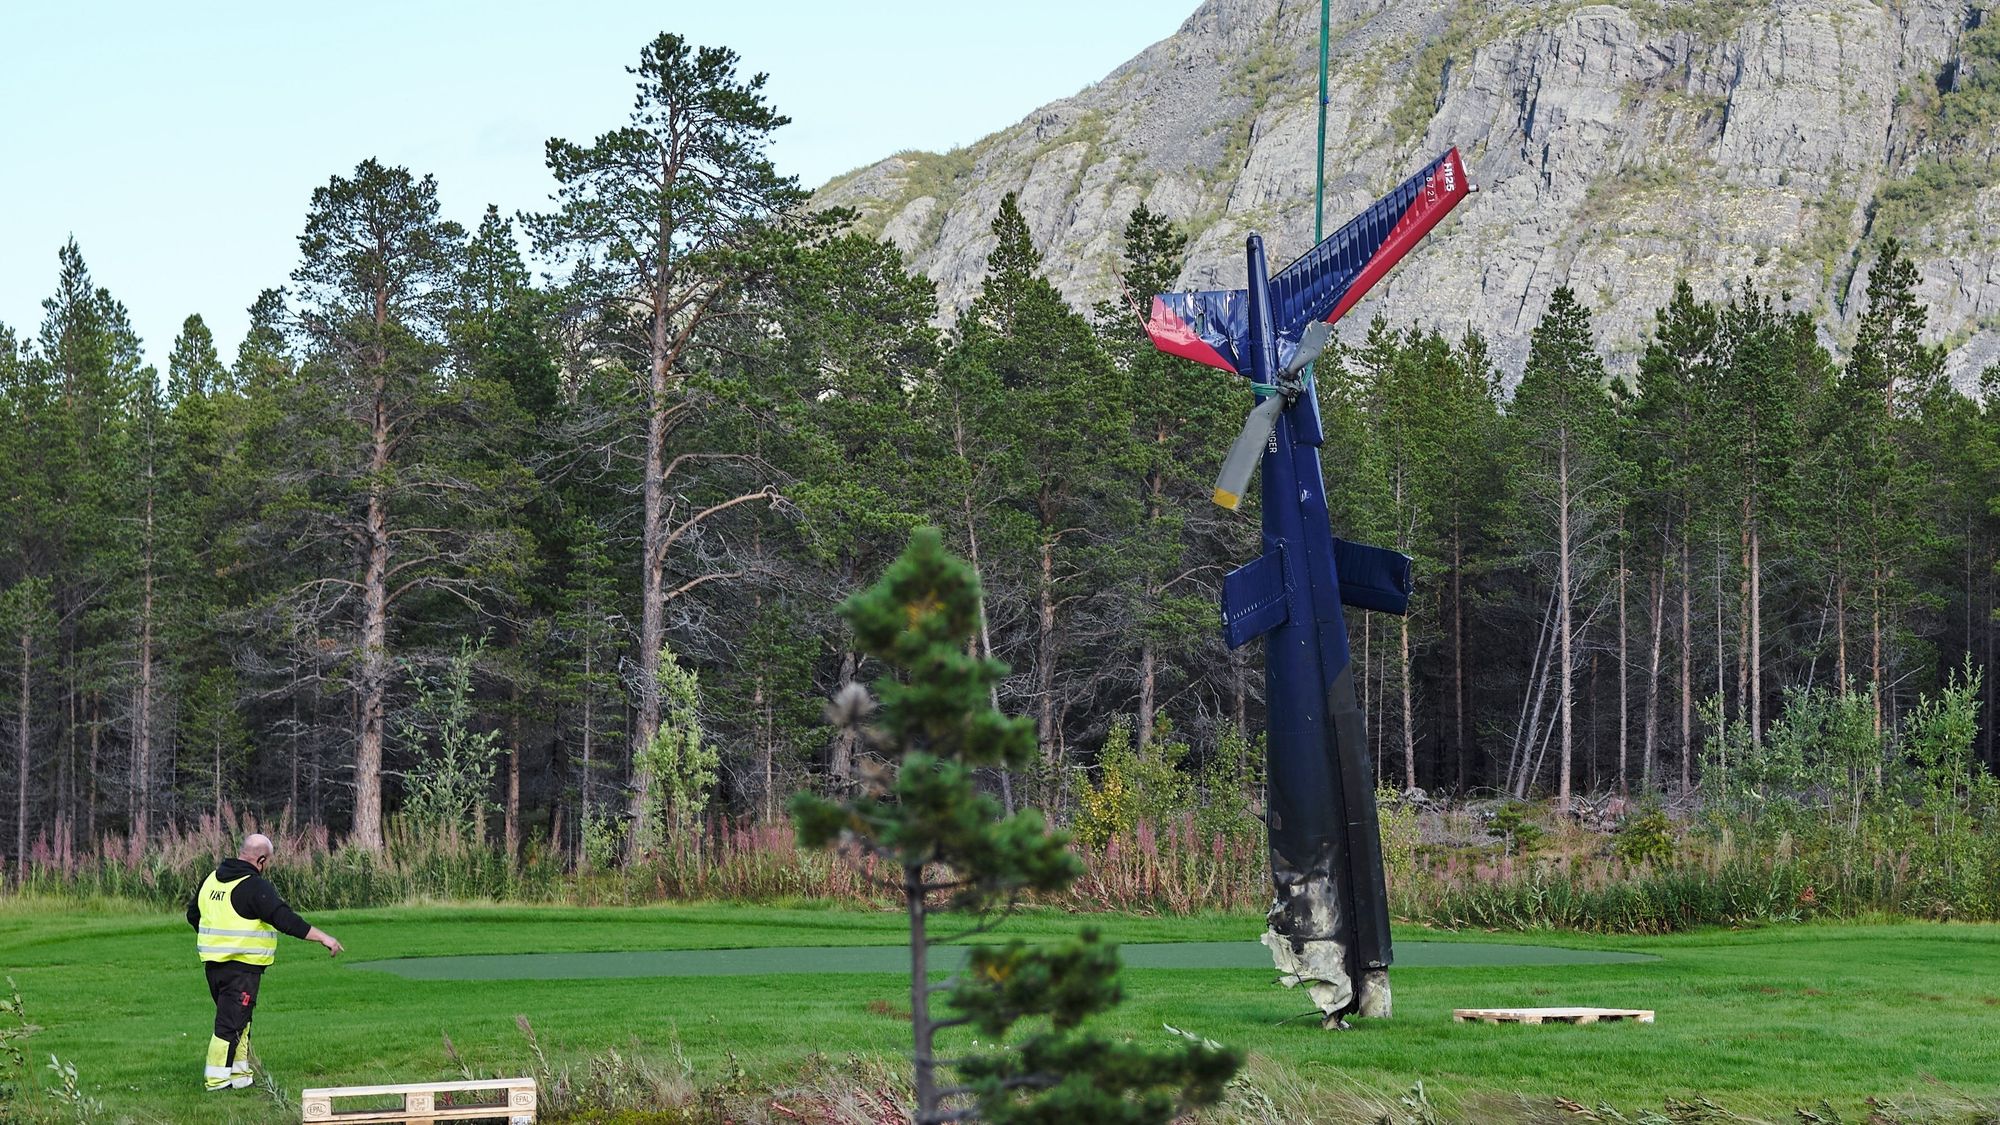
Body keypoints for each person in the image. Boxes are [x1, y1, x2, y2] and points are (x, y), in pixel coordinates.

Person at [185, 832, 343, 1091]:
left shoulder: (211, 880)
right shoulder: (254, 886)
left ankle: (240, 1076)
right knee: (228, 1024)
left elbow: (194, 915)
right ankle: (216, 1081)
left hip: (214, 966)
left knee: (240, 1021)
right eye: (266, 862)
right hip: (242, 967)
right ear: (260, 860)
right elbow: (285, 920)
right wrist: (323, 937)